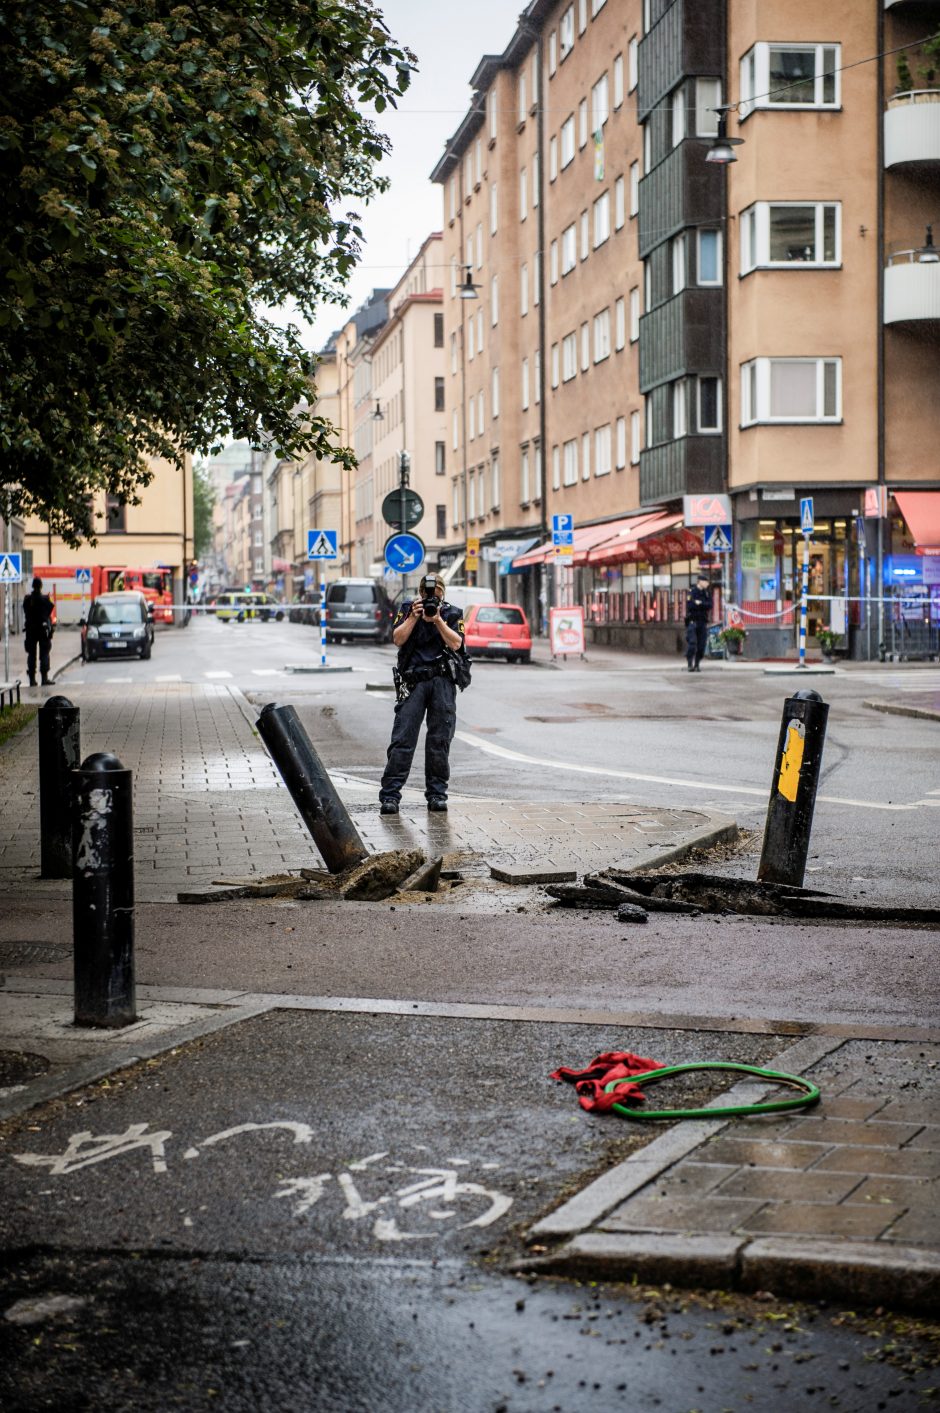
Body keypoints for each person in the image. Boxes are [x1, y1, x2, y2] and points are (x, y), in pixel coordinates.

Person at [379, 572, 465, 815]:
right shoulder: (408, 609)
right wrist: (414, 618)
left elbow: (457, 644)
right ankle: (390, 796)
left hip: (442, 682)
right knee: (402, 740)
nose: (431, 601)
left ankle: (437, 795)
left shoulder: (452, 613)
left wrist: (437, 620)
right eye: (428, 596)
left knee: (439, 742)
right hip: (414, 681)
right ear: (420, 593)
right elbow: (398, 639)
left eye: (436, 596)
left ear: (442, 594)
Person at [23, 576, 55, 686]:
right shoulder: (45, 599)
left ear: (33, 586)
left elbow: (25, 610)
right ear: (41, 586)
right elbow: (50, 609)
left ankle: (32, 680)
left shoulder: (28, 599)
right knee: (44, 653)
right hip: (42, 630)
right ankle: (44, 678)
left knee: (31, 654)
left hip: (31, 630)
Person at [685, 574, 712, 673]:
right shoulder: (692, 592)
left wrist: (700, 603)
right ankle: (689, 663)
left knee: (701, 645)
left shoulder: (707, 593)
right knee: (692, 643)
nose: (707, 584)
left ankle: (697, 664)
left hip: (702, 622)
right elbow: (690, 605)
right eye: (706, 582)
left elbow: (710, 605)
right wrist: (701, 605)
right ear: (700, 581)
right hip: (693, 622)